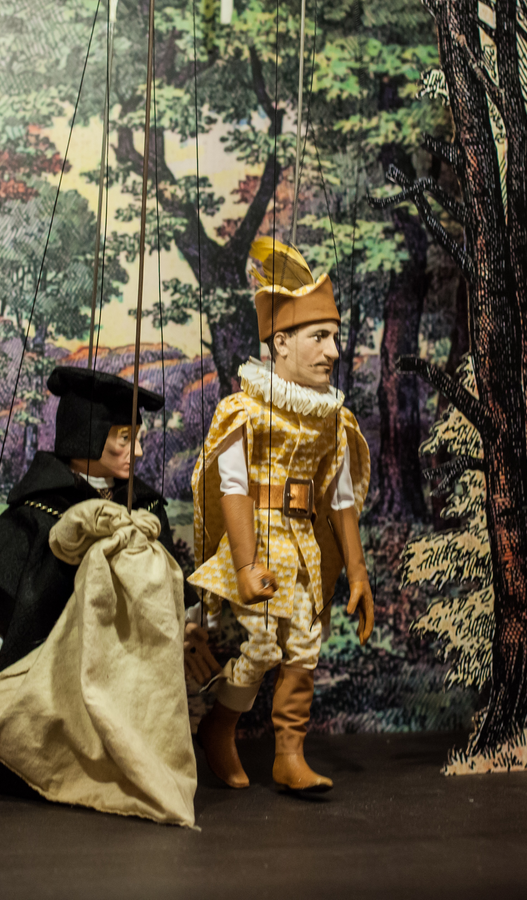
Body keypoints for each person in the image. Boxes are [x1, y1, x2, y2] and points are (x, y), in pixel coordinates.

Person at [187, 237, 373, 793]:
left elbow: (340, 498)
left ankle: (289, 754)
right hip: (259, 540)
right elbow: (233, 488)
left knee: (304, 647)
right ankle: (220, 728)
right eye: (319, 337)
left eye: (335, 337)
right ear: (281, 342)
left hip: (302, 546)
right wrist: (245, 565)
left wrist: (358, 573)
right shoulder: (243, 411)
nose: (333, 351)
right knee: (264, 645)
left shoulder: (332, 419)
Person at [0, 366, 187, 795]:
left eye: (138, 438)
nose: (136, 451)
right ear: (86, 435)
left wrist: (190, 628)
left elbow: (169, 579)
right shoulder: (39, 509)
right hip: (53, 661)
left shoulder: (144, 508)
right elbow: (6, 582)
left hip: (122, 659)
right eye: (124, 438)